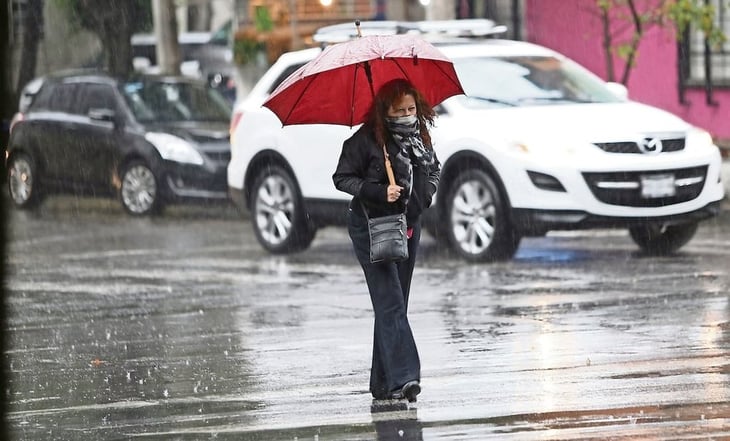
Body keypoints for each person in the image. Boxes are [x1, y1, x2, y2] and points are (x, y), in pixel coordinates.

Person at [332, 79, 441, 402]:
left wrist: (427, 191)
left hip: (408, 226)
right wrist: (380, 191)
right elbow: (342, 178)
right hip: (371, 227)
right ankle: (406, 377)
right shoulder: (365, 141)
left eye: (411, 109)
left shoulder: (420, 139)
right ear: (385, 111)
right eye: (399, 111)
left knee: (395, 304)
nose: (407, 115)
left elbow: (434, 169)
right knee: (390, 301)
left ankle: (383, 383)